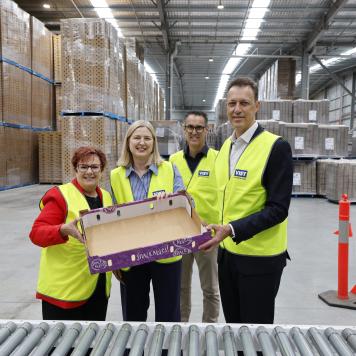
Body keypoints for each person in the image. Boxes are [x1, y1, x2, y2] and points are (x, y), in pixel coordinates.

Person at [200, 77, 293, 324]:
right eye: (232, 103)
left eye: (244, 103)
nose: (237, 109)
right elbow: (221, 197)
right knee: (234, 329)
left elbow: (278, 209)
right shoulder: (226, 148)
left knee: (255, 334)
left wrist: (231, 229)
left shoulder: (275, 147)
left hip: (260, 261)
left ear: (256, 106)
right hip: (227, 256)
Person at [110, 120, 185, 322]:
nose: (141, 142)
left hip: (166, 252)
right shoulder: (115, 176)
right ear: (128, 142)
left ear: (153, 142)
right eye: (137, 137)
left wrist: (173, 200)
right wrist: (114, 257)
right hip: (131, 254)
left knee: (168, 313)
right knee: (133, 313)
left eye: (147, 138)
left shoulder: (169, 169)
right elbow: (110, 222)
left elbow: (186, 206)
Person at [29, 146, 113, 321]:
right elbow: (36, 233)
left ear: (102, 170)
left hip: (97, 287)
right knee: (64, 347)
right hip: (64, 293)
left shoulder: (105, 196)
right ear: (75, 169)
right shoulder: (60, 196)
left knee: (92, 344)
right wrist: (61, 230)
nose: (89, 171)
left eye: (95, 167)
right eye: (83, 167)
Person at [169, 111, 220, 323]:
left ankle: (210, 326)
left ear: (207, 130)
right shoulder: (173, 160)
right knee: (181, 287)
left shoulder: (218, 159)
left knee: (210, 288)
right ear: (184, 129)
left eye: (199, 127)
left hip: (208, 233)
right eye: (190, 127)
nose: (194, 132)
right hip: (181, 232)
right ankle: (182, 326)